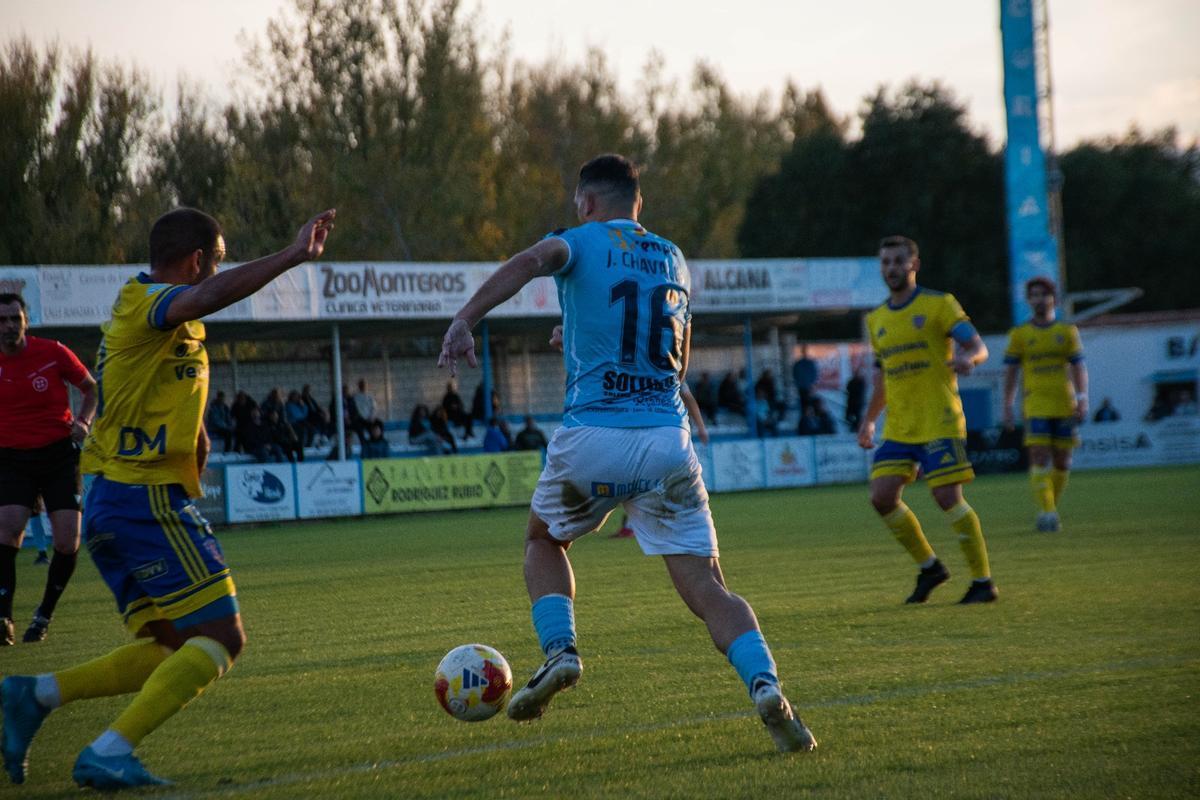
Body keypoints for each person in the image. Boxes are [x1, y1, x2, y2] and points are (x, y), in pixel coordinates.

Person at [437, 154, 815, 752]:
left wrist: (464, 318)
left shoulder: (577, 241)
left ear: (586, 202)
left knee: (543, 540)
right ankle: (766, 685)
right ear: (638, 203)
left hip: (592, 438)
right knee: (710, 587)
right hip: (667, 441)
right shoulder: (674, 258)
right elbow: (675, 360)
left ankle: (561, 651)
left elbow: (531, 262)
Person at [0, 206, 335, 789]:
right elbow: (202, 300)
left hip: (125, 498)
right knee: (224, 637)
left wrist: (196, 453)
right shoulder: (145, 303)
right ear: (198, 261)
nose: (216, 274)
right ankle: (109, 749)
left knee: (171, 646)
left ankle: (34, 694)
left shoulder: (173, 324)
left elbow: (183, 410)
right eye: (216, 263)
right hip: (138, 497)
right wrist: (291, 256)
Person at [856, 235, 997, 606]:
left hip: (939, 419)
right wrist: (869, 421)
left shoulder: (940, 305)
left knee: (946, 496)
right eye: (886, 262)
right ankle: (930, 567)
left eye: (899, 261)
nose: (892, 268)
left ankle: (983, 582)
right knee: (881, 496)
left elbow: (977, 345)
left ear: (913, 264)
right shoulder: (877, 319)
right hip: (901, 426)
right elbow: (883, 377)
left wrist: (972, 360)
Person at [0, 292, 96, 647]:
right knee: (7, 531)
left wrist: (84, 421)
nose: (9, 326)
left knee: (67, 541)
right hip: (10, 458)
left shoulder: (53, 351)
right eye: (2, 320)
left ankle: (43, 615)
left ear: (26, 320)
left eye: (15, 318)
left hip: (58, 455)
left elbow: (90, 388)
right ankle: (3, 616)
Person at [1002, 277, 1088, 533]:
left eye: (1043, 294)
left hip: (1064, 403)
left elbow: (1078, 367)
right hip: (1035, 403)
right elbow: (1010, 373)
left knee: (1063, 462)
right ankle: (1049, 513)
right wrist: (1007, 404)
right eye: (1034, 295)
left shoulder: (1066, 332)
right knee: (1039, 455)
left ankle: (1047, 507)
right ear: (1029, 301)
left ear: (1054, 299)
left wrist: (1082, 398)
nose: (1039, 299)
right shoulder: (1020, 334)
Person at [792, 345, 818, 414]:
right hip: (806, 387)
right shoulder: (808, 363)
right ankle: (807, 418)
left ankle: (807, 417)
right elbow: (814, 375)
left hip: (804, 387)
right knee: (807, 404)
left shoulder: (799, 363)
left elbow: (795, 375)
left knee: (805, 404)